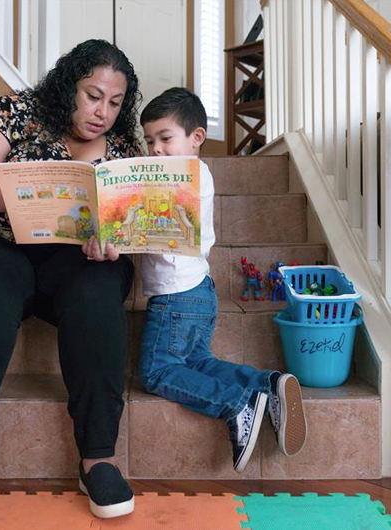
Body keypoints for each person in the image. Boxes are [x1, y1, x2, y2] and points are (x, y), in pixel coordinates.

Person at [0, 40, 141, 527]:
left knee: (100, 287)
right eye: (92, 95)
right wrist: (38, 189)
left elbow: (126, 222)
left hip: (71, 262)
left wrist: (114, 240)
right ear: (68, 85)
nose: (102, 112)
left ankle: (98, 459)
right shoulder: (16, 110)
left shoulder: (125, 148)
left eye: (114, 103)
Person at [83, 88, 308, 474]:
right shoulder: (190, 176)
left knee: (157, 372)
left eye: (166, 139)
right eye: (150, 140)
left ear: (196, 138)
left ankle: (235, 404)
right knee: (198, 361)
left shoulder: (186, 177)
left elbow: (155, 226)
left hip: (176, 295)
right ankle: (266, 384)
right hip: (199, 291)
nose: (155, 148)